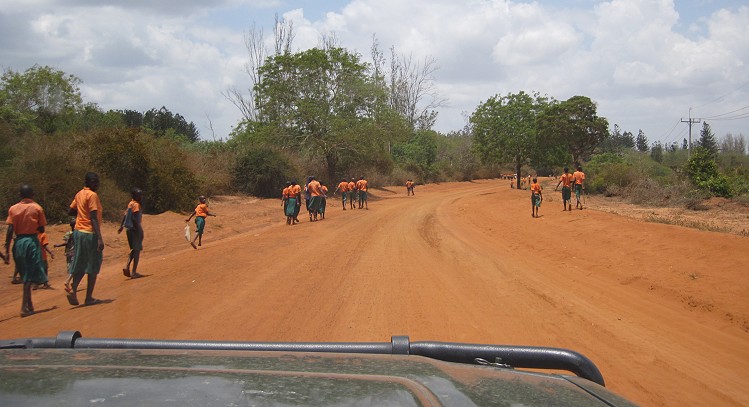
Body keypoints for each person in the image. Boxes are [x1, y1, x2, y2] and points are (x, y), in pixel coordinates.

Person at [4, 185, 48, 317]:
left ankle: (30, 305)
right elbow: (41, 229)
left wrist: (6, 250)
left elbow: (10, 230)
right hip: (31, 242)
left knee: (24, 274)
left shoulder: (13, 208)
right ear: (32, 194)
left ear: (20, 195)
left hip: (18, 243)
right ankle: (24, 307)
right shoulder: (37, 208)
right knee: (29, 275)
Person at [67, 172, 105, 306]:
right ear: (88, 182)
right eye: (94, 182)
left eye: (97, 182)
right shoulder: (92, 195)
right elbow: (94, 217)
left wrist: (81, 213)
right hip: (90, 232)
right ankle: (88, 297)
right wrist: (99, 238)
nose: (97, 184)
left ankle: (73, 288)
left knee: (81, 262)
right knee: (93, 264)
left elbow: (71, 211)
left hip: (78, 232)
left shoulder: (79, 194)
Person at [118, 188, 144, 279]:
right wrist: (139, 230)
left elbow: (125, 215)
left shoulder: (130, 203)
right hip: (134, 229)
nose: (141, 197)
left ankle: (127, 266)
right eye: (139, 195)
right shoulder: (136, 205)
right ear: (135, 196)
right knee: (137, 250)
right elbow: (134, 218)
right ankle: (134, 272)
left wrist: (121, 226)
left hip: (128, 229)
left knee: (134, 249)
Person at [54, 219, 76, 293]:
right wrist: (58, 245)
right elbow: (66, 243)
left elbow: (66, 242)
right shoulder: (76, 234)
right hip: (74, 253)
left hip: (68, 253)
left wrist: (58, 245)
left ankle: (73, 284)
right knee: (75, 268)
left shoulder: (68, 233)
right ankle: (68, 282)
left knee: (71, 267)